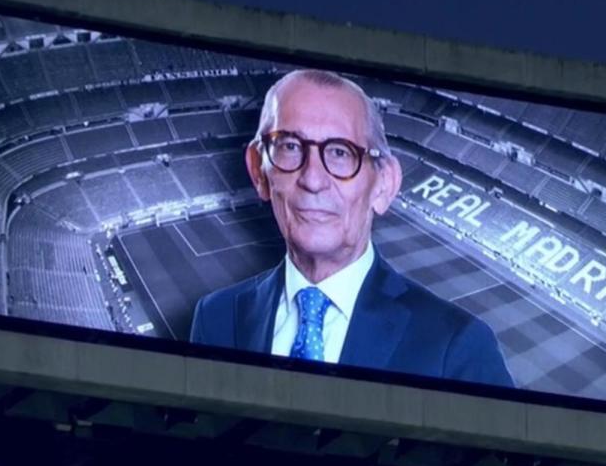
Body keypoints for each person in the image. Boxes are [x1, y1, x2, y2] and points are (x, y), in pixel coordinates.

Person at [189, 69, 513, 387]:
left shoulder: (457, 348)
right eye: (289, 146)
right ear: (259, 171)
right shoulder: (215, 318)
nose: (312, 179)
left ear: (384, 184)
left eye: (341, 153)